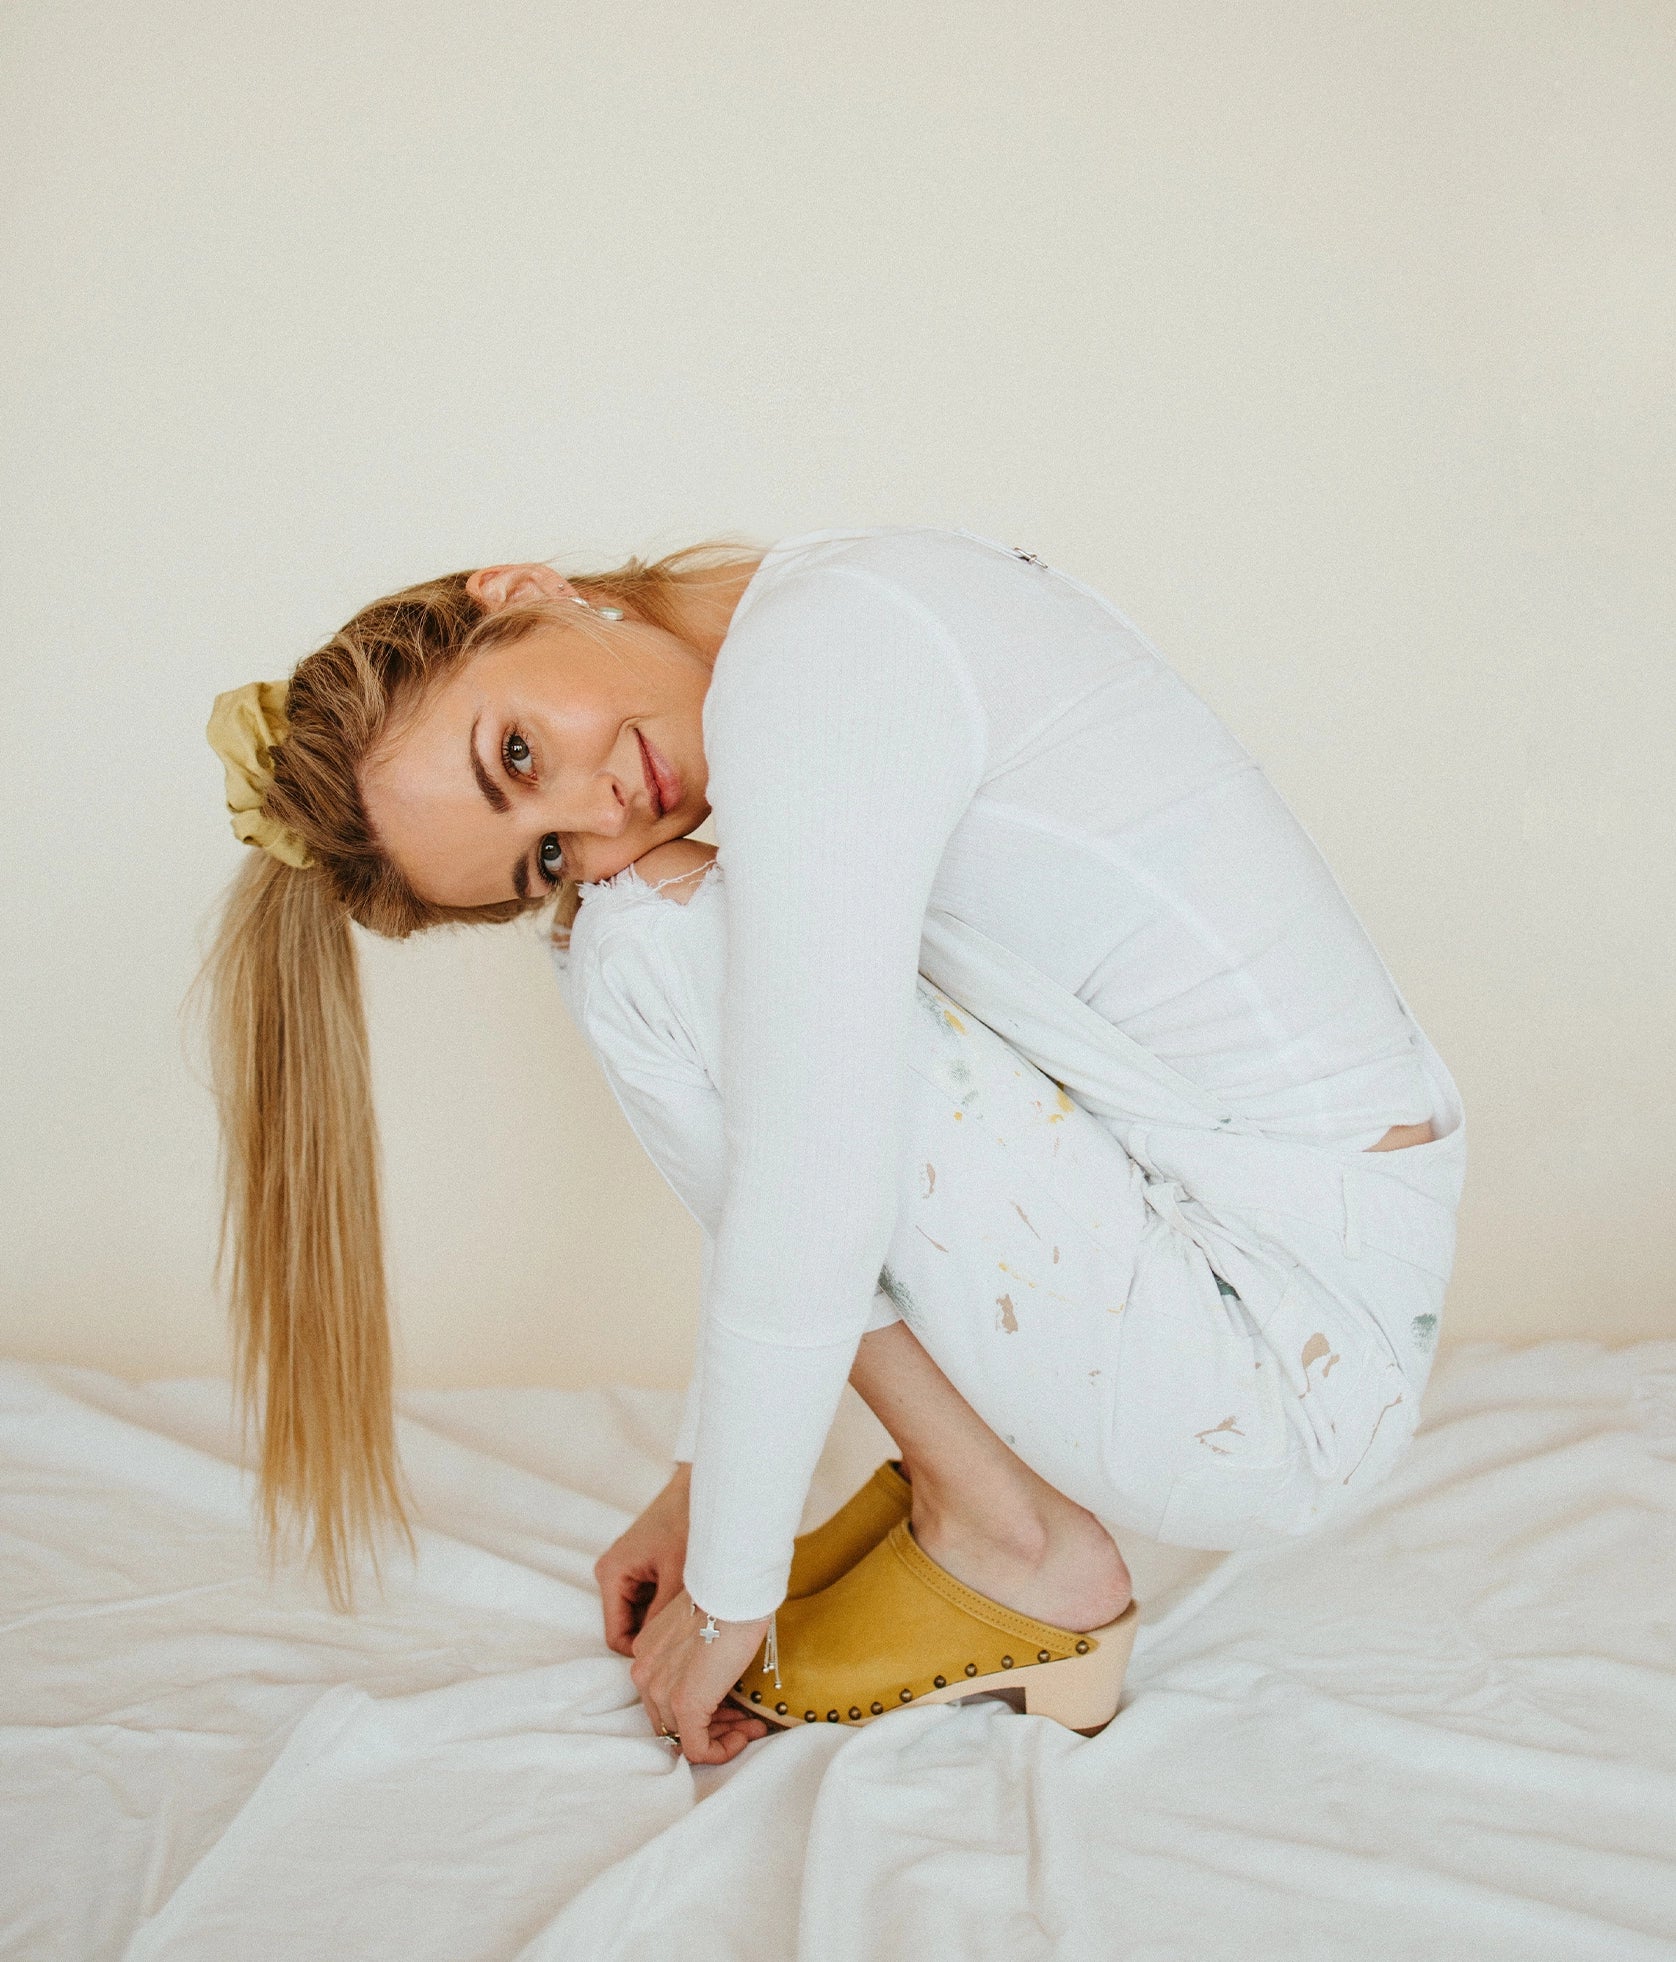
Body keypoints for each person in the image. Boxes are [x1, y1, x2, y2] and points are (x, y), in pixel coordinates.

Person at [201, 523, 1466, 1766]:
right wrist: (707, 1486)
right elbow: (806, 1111)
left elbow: (815, 1170)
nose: (594, 820)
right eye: (543, 858)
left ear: (523, 590)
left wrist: (730, 1587)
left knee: (637, 939)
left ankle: (1010, 1538)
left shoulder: (825, 665)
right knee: (665, 934)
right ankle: (965, 1494)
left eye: (519, 750)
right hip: (1279, 1288)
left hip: (1272, 1357)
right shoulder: (837, 621)